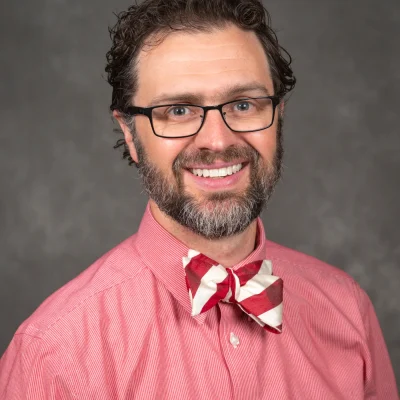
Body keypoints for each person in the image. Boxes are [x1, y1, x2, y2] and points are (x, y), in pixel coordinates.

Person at [0, 0, 398, 398]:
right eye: (178, 110)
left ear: (279, 115)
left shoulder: (347, 310)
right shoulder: (53, 354)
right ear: (129, 135)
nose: (217, 141)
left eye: (244, 105)